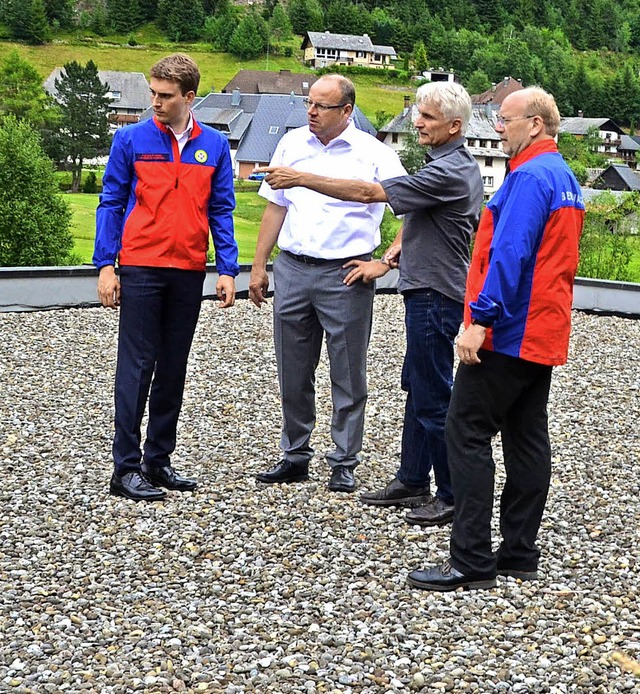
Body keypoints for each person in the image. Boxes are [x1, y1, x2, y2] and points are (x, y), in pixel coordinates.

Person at [256, 82, 483, 525]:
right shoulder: (442, 165)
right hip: (399, 285)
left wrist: (301, 177)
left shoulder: (448, 169)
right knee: (417, 388)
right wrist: (391, 258)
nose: (416, 122)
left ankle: (450, 493)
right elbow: (418, 213)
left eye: (427, 117)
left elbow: (370, 194)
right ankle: (412, 480)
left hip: (430, 293)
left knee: (431, 395)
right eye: (417, 113)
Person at [406, 87, 585, 591]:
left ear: (534, 123)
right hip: (543, 327)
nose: (498, 128)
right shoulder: (562, 176)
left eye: (504, 120)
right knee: (527, 437)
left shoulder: (528, 177)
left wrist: (480, 320)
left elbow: (510, 255)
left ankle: (470, 559)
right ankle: (518, 554)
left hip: (510, 330)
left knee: (465, 429)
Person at [249, 74, 406, 493]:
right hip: (294, 269)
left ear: (347, 111)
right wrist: (260, 264)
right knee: (292, 370)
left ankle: (343, 459)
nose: (312, 112)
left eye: (322, 106)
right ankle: (295, 454)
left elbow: (414, 211)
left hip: (346, 274)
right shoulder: (292, 144)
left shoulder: (374, 153)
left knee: (348, 373)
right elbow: (275, 208)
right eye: (309, 104)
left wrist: (386, 262)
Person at [94, 53, 238, 502]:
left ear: (189, 97)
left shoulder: (214, 145)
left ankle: (159, 461)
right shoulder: (130, 139)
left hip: (188, 269)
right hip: (140, 266)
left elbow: (221, 209)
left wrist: (228, 269)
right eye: (153, 93)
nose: (154, 102)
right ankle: (125, 468)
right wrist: (106, 266)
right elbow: (111, 202)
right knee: (136, 367)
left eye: (164, 96)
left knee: (174, 366)